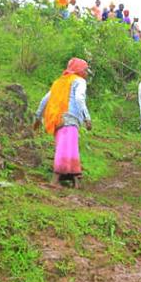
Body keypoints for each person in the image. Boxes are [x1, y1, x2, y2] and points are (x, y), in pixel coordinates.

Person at [33, 58, 92, 188]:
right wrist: (87, 118)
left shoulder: (59, 82)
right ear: (79, 70)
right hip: (70, 118)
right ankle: (55, 180)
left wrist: (37, 118)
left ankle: (76, 179)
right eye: (85, 70)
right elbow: (79, 98)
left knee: (69, 147)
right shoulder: (79, 81)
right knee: (66, 148)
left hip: (57, 120)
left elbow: (45, 100)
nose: (86, 73)